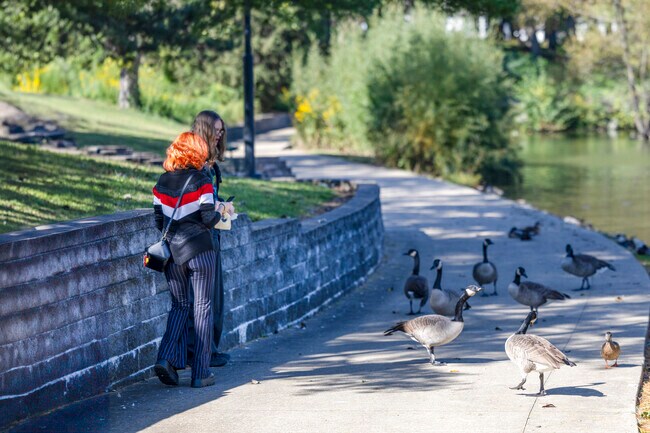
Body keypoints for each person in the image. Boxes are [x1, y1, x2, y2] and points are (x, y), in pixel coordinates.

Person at [152, 131, 227, 388]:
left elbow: (158, 222)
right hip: (200, 251)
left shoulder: (161, 183)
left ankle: (165, 358)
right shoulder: (202, 181)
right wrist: (220, 211)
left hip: (173, 254)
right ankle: (200, 372)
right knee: (203, 308)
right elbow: (207, 219)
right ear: (197, 152)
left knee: (179, 306)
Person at [186, 110, 235, 368]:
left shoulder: (209, 165)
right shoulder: (194, 163)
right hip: (198, 236)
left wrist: (220, 207)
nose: (220, 134)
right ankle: (200, 354)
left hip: (211, 232)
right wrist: (218, 209)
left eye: (222, 130)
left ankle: (210, 350)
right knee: (202, 300)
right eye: (216, 130)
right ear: (205, 130)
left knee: (214, 297)